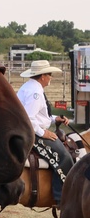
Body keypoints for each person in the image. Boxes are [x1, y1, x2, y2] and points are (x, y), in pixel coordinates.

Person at [17, 59, 74, 204]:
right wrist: (44, 133)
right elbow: (29, 118)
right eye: (50, 74)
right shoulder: (35, 92)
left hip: (31, 129)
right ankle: (61, 197)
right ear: (42, 76)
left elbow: (39, 116)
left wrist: (55, 119)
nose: (51, 77)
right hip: (32, 133)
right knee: (64, 157)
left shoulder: (30, 87)